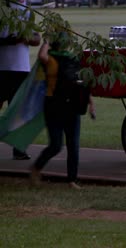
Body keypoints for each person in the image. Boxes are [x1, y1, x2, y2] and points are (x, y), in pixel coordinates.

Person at [30, 32, 95, 189]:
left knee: (73, 145)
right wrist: (46, 42)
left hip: (71, 106)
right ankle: (36, 169)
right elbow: (42, 56)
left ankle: (72, 180)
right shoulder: (51, 59)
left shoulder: (72, 60)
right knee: (56, 145)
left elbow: (80, 84)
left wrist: (91, 103)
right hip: (54, 106)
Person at [0, 0, 40, 160]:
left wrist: (26, 38)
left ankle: (18, 149)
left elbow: (37, 39)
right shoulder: (2, 11)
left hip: (21, 68)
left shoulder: (25, 17)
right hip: (1, 67)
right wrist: (12, 40)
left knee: (18, 111)